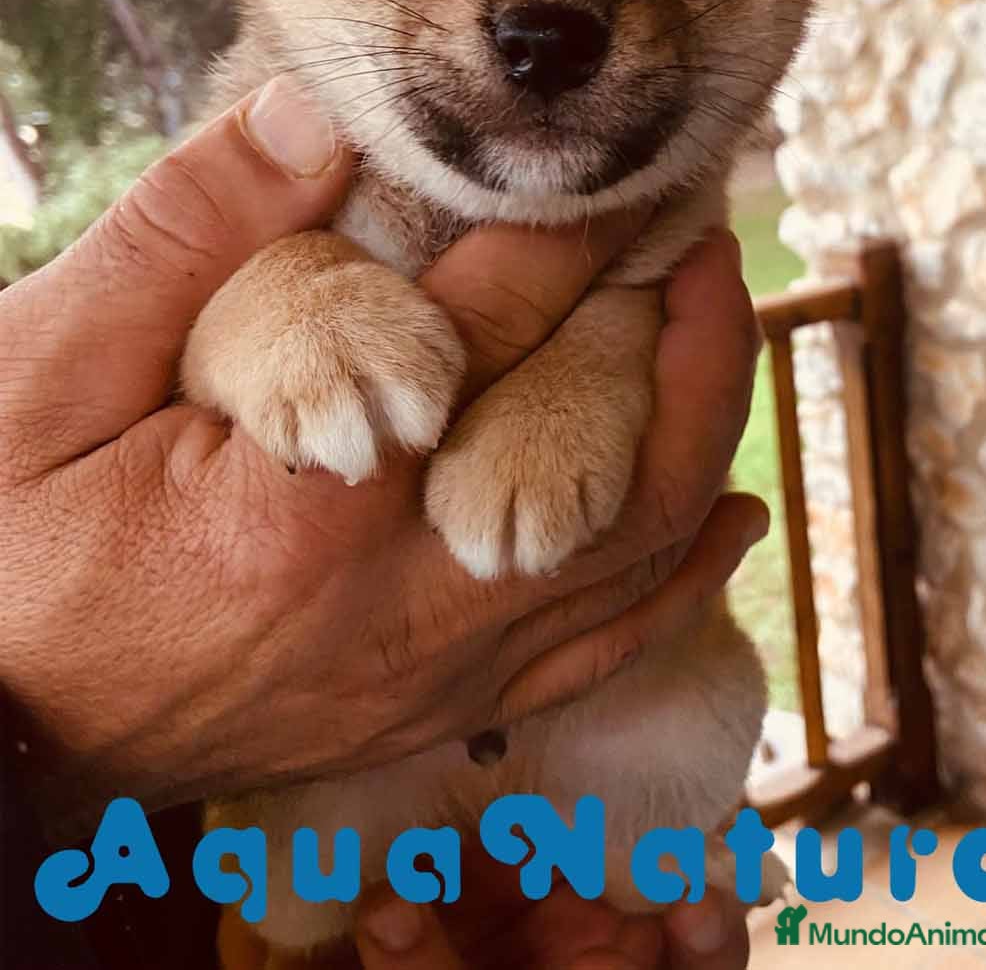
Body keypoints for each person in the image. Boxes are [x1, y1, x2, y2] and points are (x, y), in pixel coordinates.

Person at [0, 78, 767, 968]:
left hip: (594, 766)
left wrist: (591, 369)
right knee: (298, 901)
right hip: (259, 848)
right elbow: (206, 350)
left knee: (668, 814)